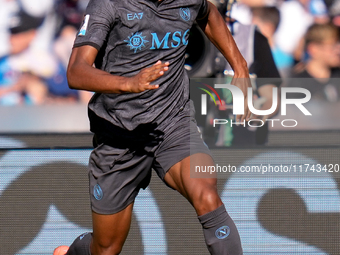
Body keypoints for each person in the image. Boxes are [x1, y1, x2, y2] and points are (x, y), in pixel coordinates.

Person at [54, 0, 251, 254]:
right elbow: (76, 71)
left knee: (207, 196)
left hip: (172, 123)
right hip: (119, 135)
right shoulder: (108, 4)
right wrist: (129, 83)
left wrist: (239, 64)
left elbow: (208, 12)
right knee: (106, 248)